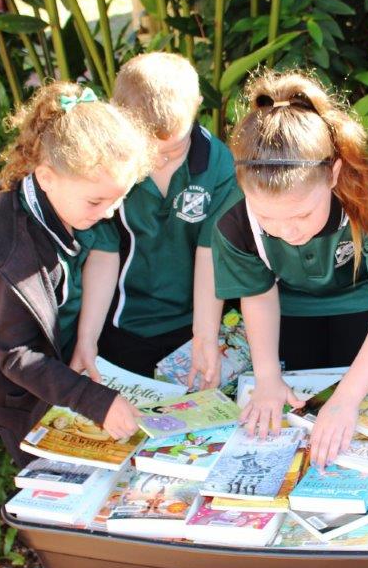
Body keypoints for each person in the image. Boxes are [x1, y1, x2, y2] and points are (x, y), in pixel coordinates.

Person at [0, 82, 152, 466]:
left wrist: (86, 341)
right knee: (45, 474)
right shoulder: (10, 253)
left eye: (120, 198)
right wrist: (95, 402)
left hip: (62, 361)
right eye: (98, 201)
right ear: (46, 176)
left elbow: (102, 250)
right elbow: (17, 356)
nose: (108, 212)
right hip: (16, 392)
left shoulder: (71, 201)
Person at [211, 71, 368, 467]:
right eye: (268, 217)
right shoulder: (232, 219)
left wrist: (347, 399)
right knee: (294, 416)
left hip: (361, 302)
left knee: (354, 409)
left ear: (334, 175)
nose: (288, 231)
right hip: (286, 307)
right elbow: (257, 294)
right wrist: (268, 377)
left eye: (303, 214)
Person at [71, 53, 242, 385]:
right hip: (120, 322)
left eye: (174, 148)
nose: (160, 158)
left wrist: (205, 336)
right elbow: (104, 253)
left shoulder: (219, 166)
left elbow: (211, 253)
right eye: (148, 148)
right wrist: (87, 337)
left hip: (193, 323)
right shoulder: (109, 165)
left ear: (197, 105)